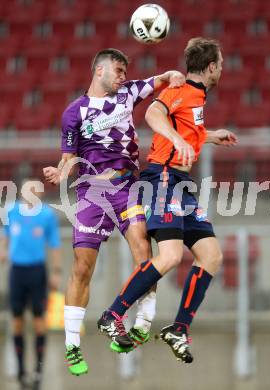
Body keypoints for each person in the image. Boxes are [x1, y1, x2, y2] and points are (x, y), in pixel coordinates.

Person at [43, 48, 192, 376]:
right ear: (99, 71)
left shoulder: (128, 93)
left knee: (144, 251)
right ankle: (72, 345)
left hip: (127, 188)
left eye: (126, 71)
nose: (125, 76)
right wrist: (60, 172)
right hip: (92, 194)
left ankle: (141, 323)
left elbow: (162, 79)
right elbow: (68, 156)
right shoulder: (74, 112)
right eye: (119, 70)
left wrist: (174, 75)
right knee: (82, 267)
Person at [98, 37, 238, 363]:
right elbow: (153, 114)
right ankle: (113, 314)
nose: (222, 69)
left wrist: (209, 136)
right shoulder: (181, 91)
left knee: (211, 255)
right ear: (212, 67)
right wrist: (175, 138)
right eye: (221, 64)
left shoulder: (197, 98)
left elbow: (187, 127)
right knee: (172, 255)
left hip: (181, 183)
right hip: (162, 178)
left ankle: (179, 328)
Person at [0, 179, 61, 389]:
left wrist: (55, 271)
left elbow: (54, 244)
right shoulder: (12, 211)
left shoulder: (46, 215)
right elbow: (5, 234)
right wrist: (3, 250)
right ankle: (20, 370)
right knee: (16, 322)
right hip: (17, 271)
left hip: (37, 272)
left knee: (38, 322)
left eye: (36, 189)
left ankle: (38, 370)